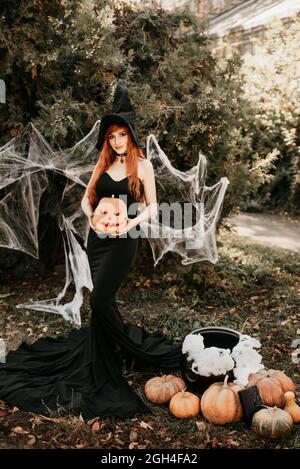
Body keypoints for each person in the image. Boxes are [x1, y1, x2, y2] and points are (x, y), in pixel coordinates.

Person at [0, 80, 182, 420]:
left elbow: (153, 206)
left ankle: (134, 350)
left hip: (125, 240)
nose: (116, 141)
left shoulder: (141, 166)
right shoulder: (103, 163)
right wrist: (94, 219)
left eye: (121, 135)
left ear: (131, 135)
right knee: (103, 302)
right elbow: (87, 200)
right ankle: (106, 353)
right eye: (111, 136)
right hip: (98, 241)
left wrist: (128, 224)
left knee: (99, 301)